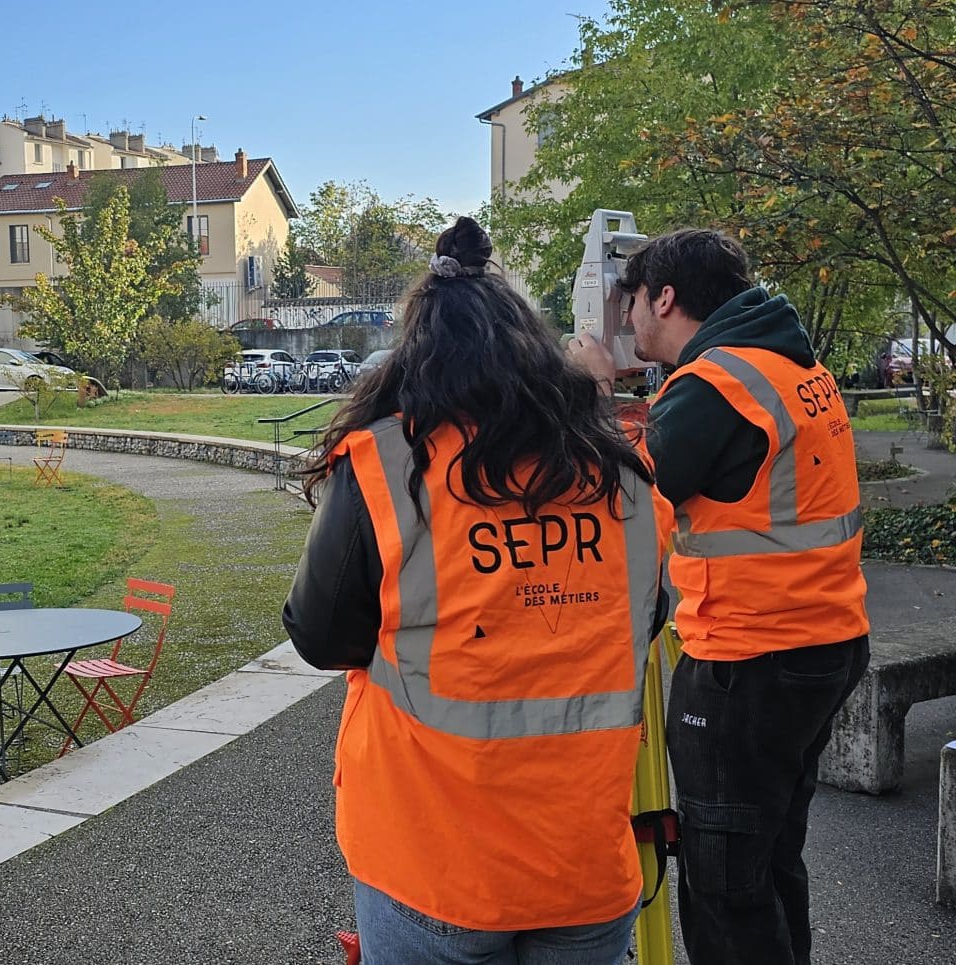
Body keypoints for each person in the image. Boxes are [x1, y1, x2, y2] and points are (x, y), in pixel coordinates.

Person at [284, 217, 672, 965]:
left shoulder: (386, 466)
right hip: (584, 864)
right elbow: (643, 620)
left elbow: (322, 636)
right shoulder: (622, 473)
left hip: (431, 862)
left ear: (415, 358)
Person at [566, 227, 869, 965]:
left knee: (727, 887)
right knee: (771, 860)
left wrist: (595, 392)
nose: (625, 316)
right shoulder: (789, 362)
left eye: (631, 300)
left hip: (749, 659)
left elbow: (625, 496)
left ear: (665, 298)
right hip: (825, 641)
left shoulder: (715, 385)